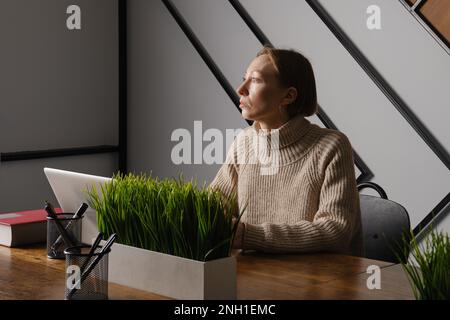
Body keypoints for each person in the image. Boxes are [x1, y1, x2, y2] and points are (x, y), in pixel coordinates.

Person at [209, 45, 363, 256]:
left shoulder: (332, 146)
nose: (240, 89)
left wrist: (247, 236)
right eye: (244, 78)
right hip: (252, 276)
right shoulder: (243, 143)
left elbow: (335, 230)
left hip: (316, 281)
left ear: (288, 96)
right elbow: (213, 207)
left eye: (254, 80)